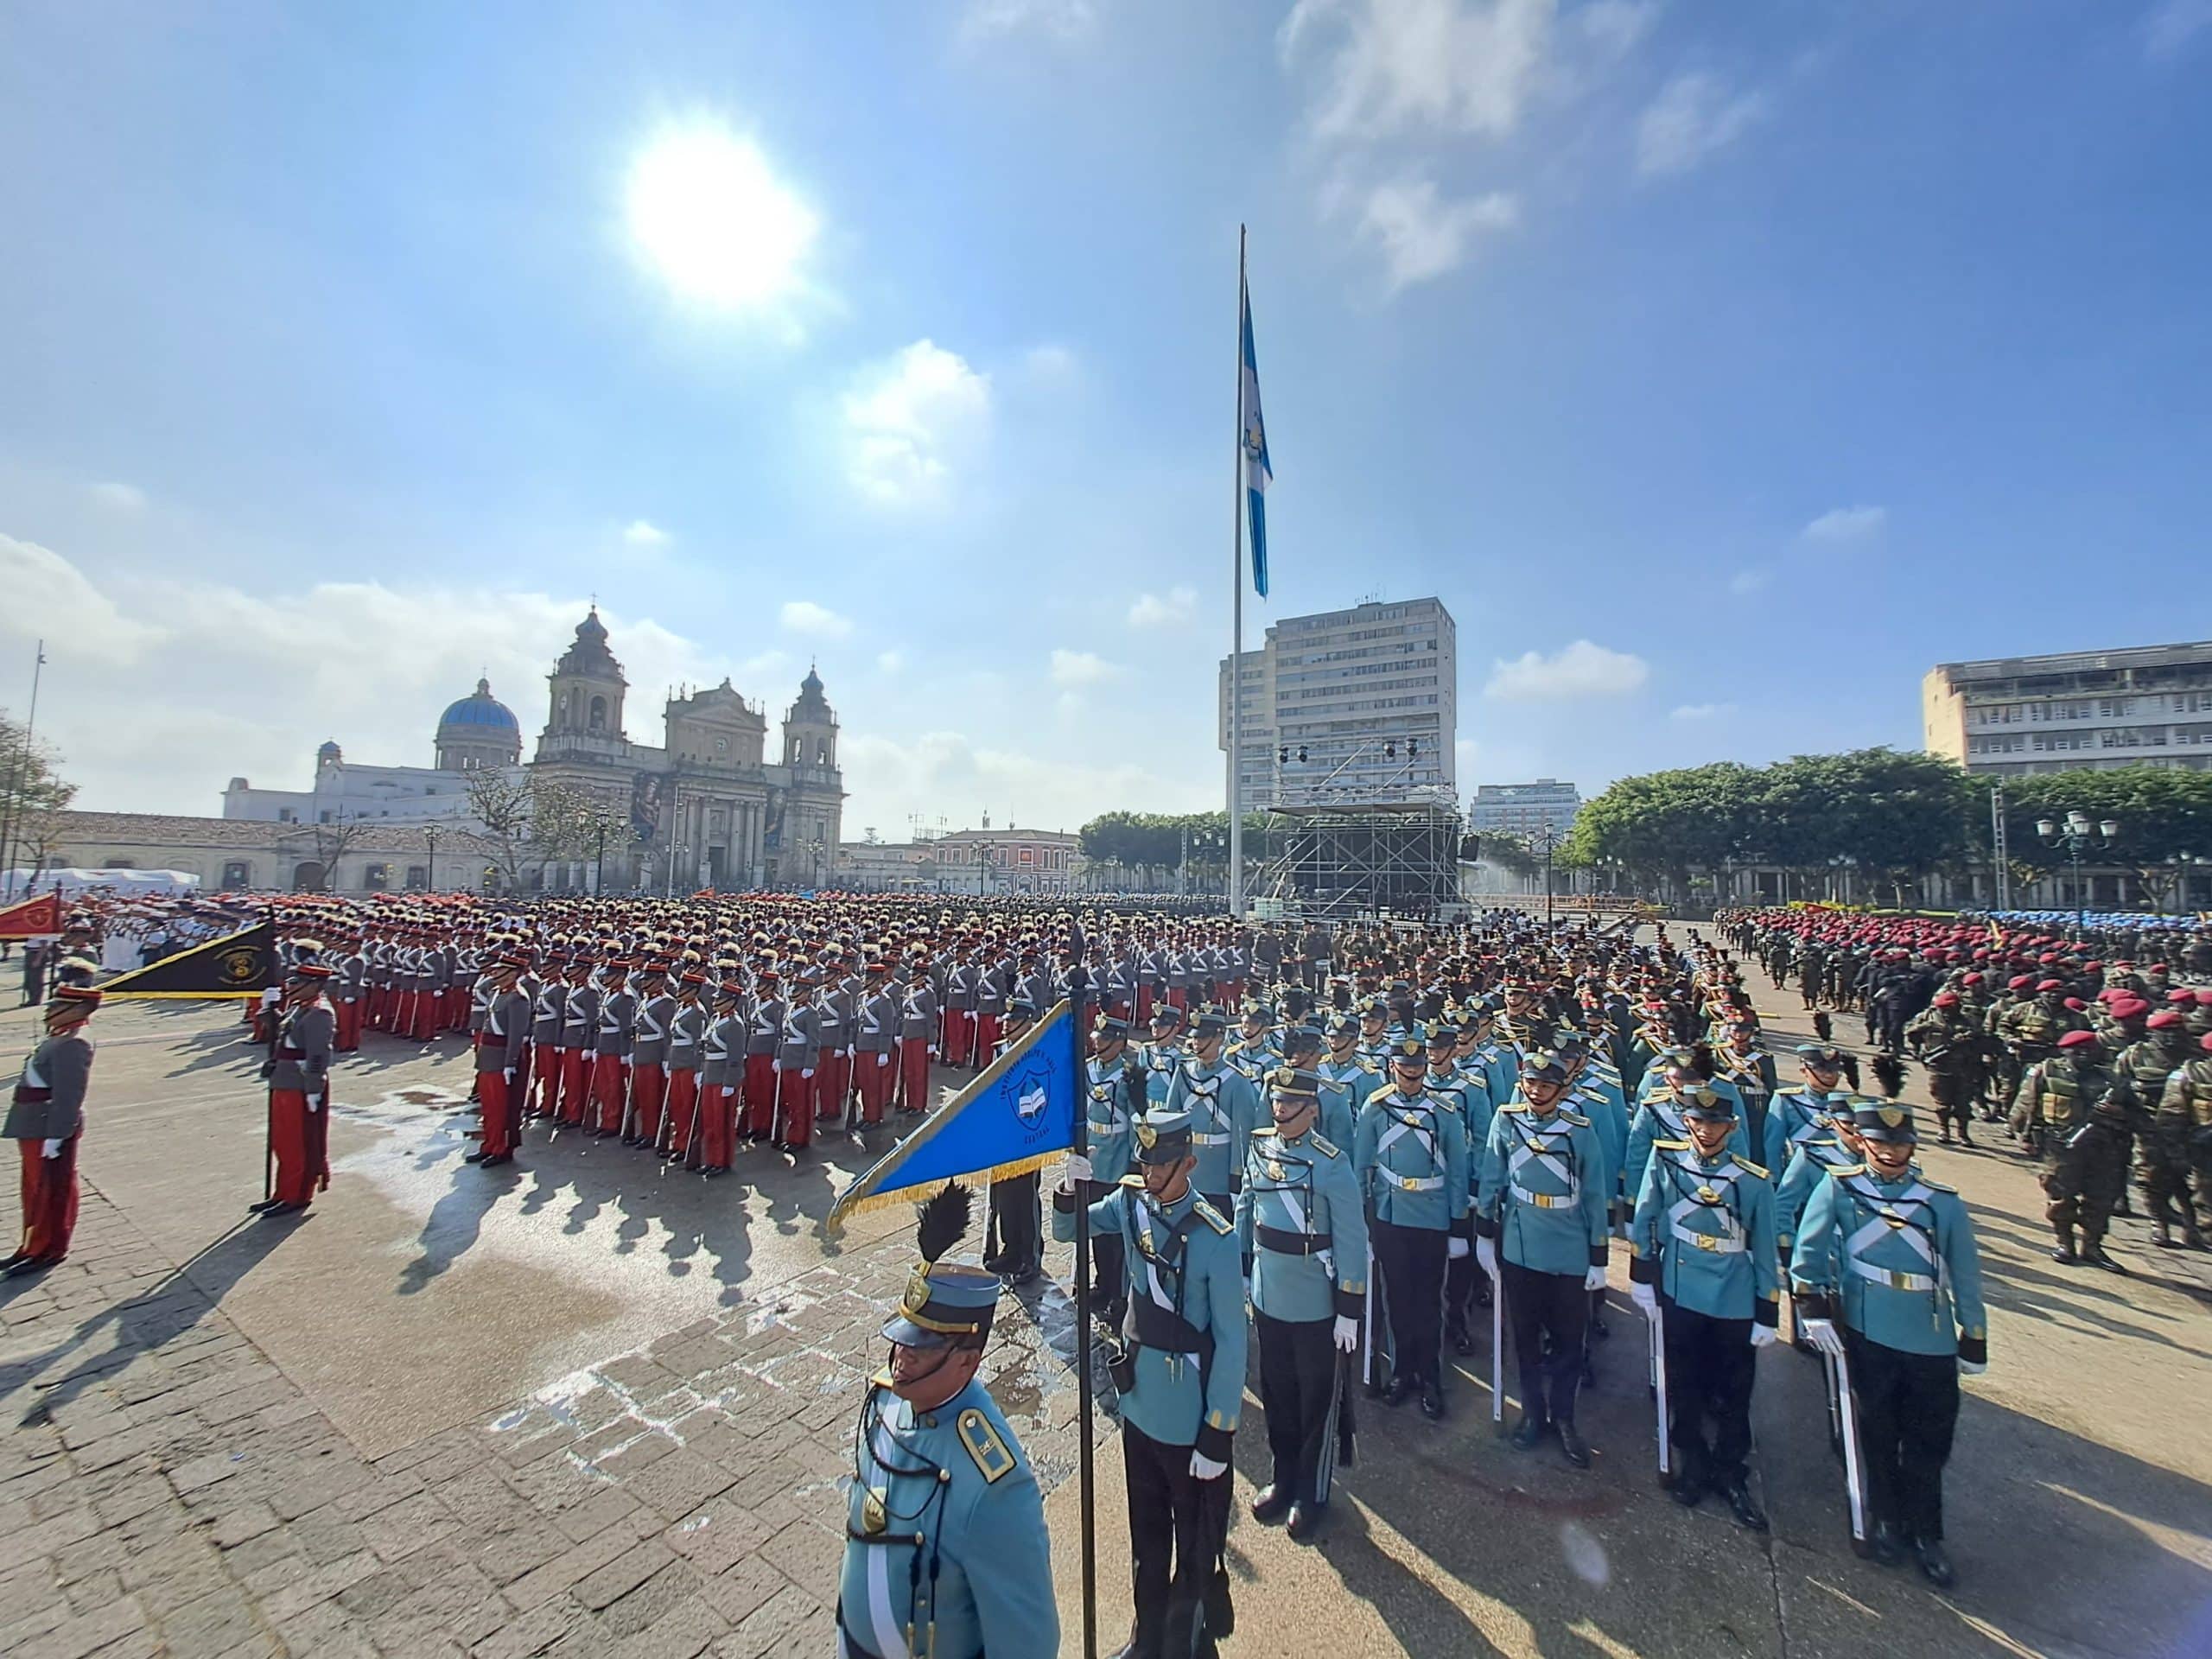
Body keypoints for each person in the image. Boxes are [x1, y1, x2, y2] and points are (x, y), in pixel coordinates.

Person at [1055, 1107, 1245, 1659]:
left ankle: (1183, 1642)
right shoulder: (1130, 1202)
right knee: (1147, 1534)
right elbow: (1071, 1229)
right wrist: (1071, 1186)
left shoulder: (1216, 1236)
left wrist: (1219, 1431)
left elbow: (1232, 1343)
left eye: (1162, 1163)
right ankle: (1147, 1635)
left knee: (1192, 1542)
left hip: (1189, 1415)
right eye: (1145, 1161)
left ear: (1188, 1162)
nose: (1150, 1172)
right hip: (1139, 1401)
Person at [839, 1185, 1058, 1659]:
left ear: (967, 1361)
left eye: (924, 1347)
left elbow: (1027, 1642)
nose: (902, 1358)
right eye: (902, 1340)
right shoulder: (884, 1405)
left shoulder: (997, 1487)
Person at [1791, 1103, 1988, 1587]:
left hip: (1928, 1331)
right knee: (1875, 1431)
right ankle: (1885, 1517)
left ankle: (1926, 1532)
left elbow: (1964, 1274)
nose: (1890, 1152)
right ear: (1864, 1142)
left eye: (1899, 1144)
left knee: (1928, 1440)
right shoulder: (1840, 1186)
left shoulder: (1942, 1202)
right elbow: (1810, 1248)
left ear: (1912, 1147)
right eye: (1881, 1143)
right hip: (1866, 1325)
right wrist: (1812, 1309)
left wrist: (1973, 1333)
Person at [1627, 1085, 1778, 1529]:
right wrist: (1641, 1274)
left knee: (1734, 1389)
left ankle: (1731, 1471)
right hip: (1681, 1283)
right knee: (1684, 1382)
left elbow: (1765, 1247)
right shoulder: (1666, 1160)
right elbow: (1646, 1218)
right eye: (1697, 1122)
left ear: (1730, 1129)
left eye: (1715, 1124)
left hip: (1733, 1292)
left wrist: (1768, 1308)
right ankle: (1692, 1458)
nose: (1705, 1131)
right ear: (1686, 1122)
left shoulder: (1752, 1180)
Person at [1236, 1065, 1366, 1541]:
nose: (1280, 1109)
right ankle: (1283, 1474)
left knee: (1315, 1402)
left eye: (1291, 1104)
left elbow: (1352, 1239)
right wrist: (1242, 1271)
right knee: (1278, 1393)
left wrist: (1349, 1308)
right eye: (1276, 1101)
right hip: (1270, 1292)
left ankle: (1312, 1491)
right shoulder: (1258, 1146)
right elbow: (1246, 1209)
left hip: (1314, 1300)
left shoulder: (1332, 1164)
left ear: (1312, 1110)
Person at [1474, 1049, 1611, 1466]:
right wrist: (1483, 1234)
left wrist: (1598, 1256)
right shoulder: (1507, 1119)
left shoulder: (1579, 1131)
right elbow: (1493, 1177)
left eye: (1547, 1085)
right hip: (1520, 1245)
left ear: (1562, 1088)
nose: (1536, 1091)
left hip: (1568, 1248)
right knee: (1526, 1339)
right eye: (1531, 1082)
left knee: (1570, 1341)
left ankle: (1564, 1418)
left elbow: (1593, 1193)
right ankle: (1533, 1413)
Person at [1354, 1030, 1469, 1420]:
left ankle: (1430, 1375)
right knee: (1396, 1300)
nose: (1410, 1075)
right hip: (1390, 1215)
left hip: (1432, 1215)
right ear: (1392, 1067)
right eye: (1404, 1068)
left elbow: (1457, 1172)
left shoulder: (1443, 1111)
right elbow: (1362, 1167)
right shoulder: (1375, 1107)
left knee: (1427, 1301)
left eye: (1417, 1068)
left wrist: (1457, 1227)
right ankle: (1402, 1370)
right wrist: (1363, 1221)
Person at [4, 982, 100, 1275]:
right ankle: (31, 1244)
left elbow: (69, 1095)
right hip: (34, 1121)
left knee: (49, 1190)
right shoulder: (62, 1035)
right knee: (34, 1189)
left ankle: (48, 1248)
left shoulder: (74, 1042)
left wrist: (58, 1135)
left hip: (48, 1125)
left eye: (55, 1007)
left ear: (77, 1010)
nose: (48, 1011)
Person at [256, 963, 336, 1216]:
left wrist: (314, 1089)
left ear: (313, 985)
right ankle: (282, 1193)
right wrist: (269, 1010)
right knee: (282, 1142)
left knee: (298, 1143)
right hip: (284, 1079)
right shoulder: (298, 1007)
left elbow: (317, 1055)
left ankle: (298, 1195)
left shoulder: (320, 1013)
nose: (289, 986)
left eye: (295, 982)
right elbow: (284, 1035)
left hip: (301, 1085)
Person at [982, 995, 1044, 1283]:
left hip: (1028, 1137)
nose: (1007, 1026)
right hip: (1001, 1138)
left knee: (1025, 1198)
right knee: (1004, 1197)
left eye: (1013, 1021)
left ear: (1028, 1023)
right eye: (1006, 1020)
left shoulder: (1036, 1053)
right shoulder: (1000, 1051)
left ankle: (1029, 1255)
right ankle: (1010, 1248)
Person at [468, 952, 529, 1168]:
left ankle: (502, 1148)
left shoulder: (518, 997)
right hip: (488, 1057)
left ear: (513, 973)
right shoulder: (497, 993)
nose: (494, 973)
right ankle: (489, 1144)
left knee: (502, 1108)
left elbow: (516, 1034)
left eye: (500, 970)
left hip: (502, 1058)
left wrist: (510, 1063)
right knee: (489, 1107)